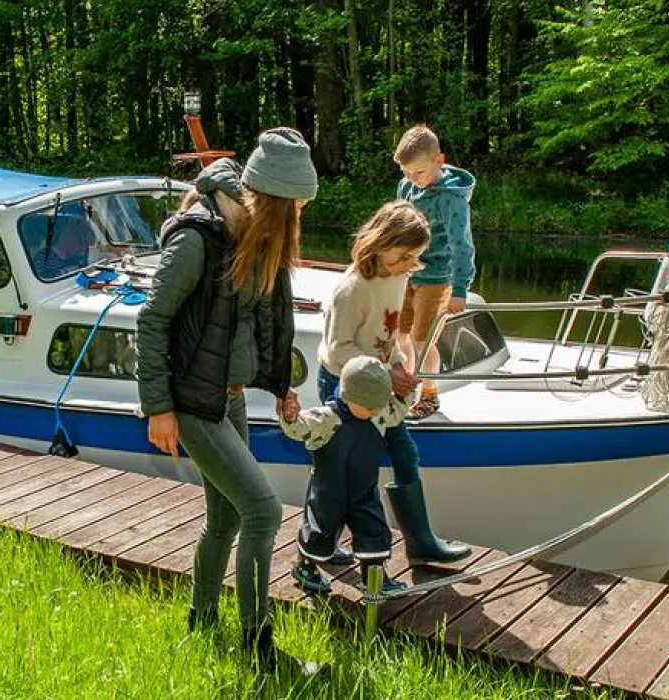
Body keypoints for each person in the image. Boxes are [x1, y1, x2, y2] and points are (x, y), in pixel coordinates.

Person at [135, 127, 317, 674]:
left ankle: (202, 620)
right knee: (262, 510)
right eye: (295, 210)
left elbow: (258, 321)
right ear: (272, 202)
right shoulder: (198, 238)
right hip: (192, 401)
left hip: (227, 397)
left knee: (226, 520)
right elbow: (151, 320)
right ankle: (258, 648)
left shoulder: (252, 237)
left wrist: (280, 384)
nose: (296, 223)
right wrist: (159, 408)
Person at [313, 200, 473, 565]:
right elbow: (339, 352)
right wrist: (387, 374)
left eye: (414, 257)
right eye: (403, 256)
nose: (409, 265)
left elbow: (386, 334)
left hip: (380, 382)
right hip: (344, 386)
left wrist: (401, 368)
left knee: (405, 452)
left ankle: (421, 541)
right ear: (380, 240)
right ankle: (321, 543)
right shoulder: (352, 289)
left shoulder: (397, 276)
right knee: (340, 468)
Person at [282, 355, 410, 595]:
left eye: (379, 405)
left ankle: (374, 574)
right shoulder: (327, 418)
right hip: (329, 489)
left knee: (374, 527)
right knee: (321, 527)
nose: (375, 411)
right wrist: (290, 417)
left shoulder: (378, 414)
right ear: (348, 395)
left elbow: (397, 411)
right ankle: (306, 566)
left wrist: (405, 393)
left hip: (364, 487)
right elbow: (299, 429)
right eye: (370, 406)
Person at [393, 124, 477, 420]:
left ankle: (430, 394)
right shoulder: (407, 186)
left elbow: (461, 246)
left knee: (422, 340)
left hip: (436, 277)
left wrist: (459, 289)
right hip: (405, 273)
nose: (413, 180)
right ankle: (404, 385)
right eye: (406, 173)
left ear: (438, 162)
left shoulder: (451, 199)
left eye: (419, 173)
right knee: (398, 334)